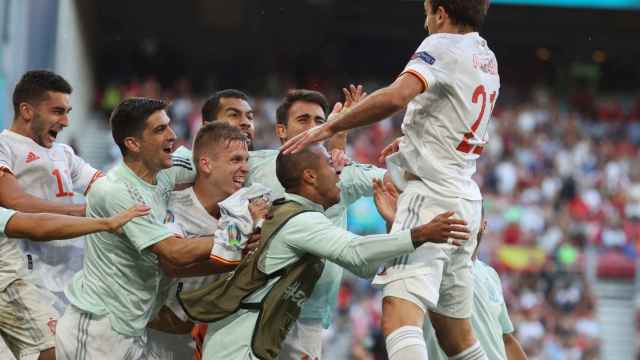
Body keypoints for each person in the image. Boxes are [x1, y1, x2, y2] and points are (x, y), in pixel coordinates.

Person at [282, 1, 499, 359]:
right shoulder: (486, 56)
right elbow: (461, 117)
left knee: (399, 315)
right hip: (465, 199)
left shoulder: (441, 44)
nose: (426, 20)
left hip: (430, 197)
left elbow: (398, 95)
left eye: (428, 10)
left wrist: (332, 126)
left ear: (441, 12)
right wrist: (417, 140)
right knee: (455, 335)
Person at [195, 145, 470, 360]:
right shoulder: (300, 221)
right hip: (237, 348)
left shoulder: (296, 215)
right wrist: (419, 233)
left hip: (244, 342)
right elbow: (356, 253)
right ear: (310, 176)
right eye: (329, 164)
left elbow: (362, 267)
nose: (338, 170)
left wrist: (394, 225)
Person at [55, 98, 225, 359]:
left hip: (130, 327)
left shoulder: (164, 172)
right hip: (99, 327)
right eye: (160, 130)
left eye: (169, 126)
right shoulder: (115, 191)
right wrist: (236, 240)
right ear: (133, 144)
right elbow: (174, 252)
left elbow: (218, 159)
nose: (172, 135)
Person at [246, 88, 393, 360]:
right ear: (281, 130)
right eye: (303, 120)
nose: (313, 128)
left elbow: (394, 181)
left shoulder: (342, 172)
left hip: (306, 314)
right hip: (251, 306)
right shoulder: (252, 166)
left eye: (319, 121)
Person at [0, 70, 103, 360]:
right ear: (27, 110)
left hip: (71, 282)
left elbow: (105, 188)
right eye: (57, 111)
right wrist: (83, 212)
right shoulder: (5, 146)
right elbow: (14, 201)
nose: (66, 121)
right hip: (25, 278)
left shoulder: (65, 153)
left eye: (68, 112)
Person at [147, 122, 269, 359]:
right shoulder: (173, 205)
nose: (244, 168)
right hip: (155, 337)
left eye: (246, 160)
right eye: (235, 160)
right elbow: (172, 265)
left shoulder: (249, 208)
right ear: (206, 164)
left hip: (210, 338)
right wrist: (234, 247)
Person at [424, 208, 528, 360]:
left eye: (470, 214)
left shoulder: (490, 274)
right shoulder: (431, 268)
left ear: (483, 225)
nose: (464, 222)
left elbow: (506, 339)